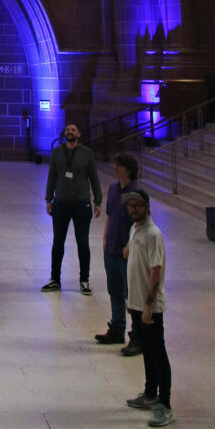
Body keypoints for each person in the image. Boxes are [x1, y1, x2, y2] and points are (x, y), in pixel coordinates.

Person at [123, 187, 174, 426]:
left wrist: (147, 305)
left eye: (137, 205)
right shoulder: (135, 229)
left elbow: (155, 273)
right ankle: (150, 394)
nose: (133, 209)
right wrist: (131, 301)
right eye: (130, 205)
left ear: (147, 207)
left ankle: (165, 404)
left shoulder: (153, 234)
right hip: (136, 303)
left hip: (149, 306)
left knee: (158, 354)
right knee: (147, 351)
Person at [41, 121, 102, 293]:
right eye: (67, 129)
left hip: (81, 203)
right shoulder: (57, 152)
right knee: (57, 241)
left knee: (83, 242)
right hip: (61, 203)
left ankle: (84, 280)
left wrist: (97, 201)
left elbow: (94, 177)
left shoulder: (86, 153)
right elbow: (52, 176)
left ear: (78, 134)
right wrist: (48, 199)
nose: (69, 131)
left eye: (73, 130)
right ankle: (55, 278)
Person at [93, 150, 142, 351]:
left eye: (118, 166)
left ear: (128, 169)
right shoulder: (114, 189)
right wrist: (104, 237)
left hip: (126, 250)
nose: (114, 168)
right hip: (111, 247)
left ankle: (138, 335)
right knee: (114, 289)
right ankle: (117, 328)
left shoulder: (134, 192)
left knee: (131, 295)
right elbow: (110, 214)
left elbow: (140, 223)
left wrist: (129, 245)